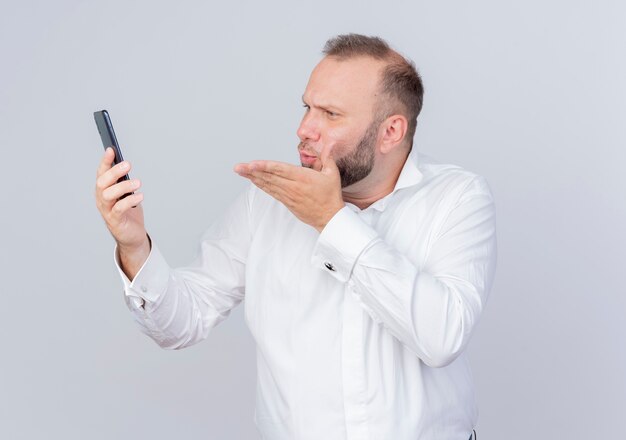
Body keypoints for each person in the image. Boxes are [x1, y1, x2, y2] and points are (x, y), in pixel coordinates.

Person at [95, 34, 495, 440]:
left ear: (391, 131)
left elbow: (442, 336)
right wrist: (134, 245)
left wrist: (331, 221)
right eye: (307, 107)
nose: (305, 128)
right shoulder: (266, 205)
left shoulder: (457, 198)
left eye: (331, 114)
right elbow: (181, 323)